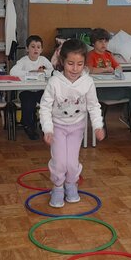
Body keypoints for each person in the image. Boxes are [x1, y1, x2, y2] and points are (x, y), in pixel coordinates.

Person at [40, 39, 105, 208]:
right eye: (70, 63)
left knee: (72, 162)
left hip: (77, 127)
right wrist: (47, 129)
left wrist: (98, 126)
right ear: (62, 61)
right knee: (60, 161)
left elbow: (93, 106)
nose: (75, 69)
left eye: (80, 64)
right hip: (57, 127)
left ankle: (70, 184)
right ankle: (57, 187)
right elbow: (45, 107)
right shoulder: (54, 82)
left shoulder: (87, 82)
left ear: (84, 64)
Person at [86, 28, 131, 129]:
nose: (104, 44)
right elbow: (90, 70)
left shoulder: (108, 54)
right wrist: (105, 69)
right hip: (98, 90)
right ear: (93, 43)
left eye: (106, 41)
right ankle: (125, 117)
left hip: (111, 85)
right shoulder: (90, 55)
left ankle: (125, 116)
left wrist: (117, 70)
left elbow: (118, 66)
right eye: (100, 41)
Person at [10, 35, 54, 140]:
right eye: (33, 47)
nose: (36, 49)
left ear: (41, 50)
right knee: (28, 103)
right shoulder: (23, 61)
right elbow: (13, 72)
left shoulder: (43, 60)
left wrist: (44, 72)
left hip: (40, 90)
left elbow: (53, 71)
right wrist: (30, 72)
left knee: (48, 102)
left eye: (38, 47)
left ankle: (45, 124)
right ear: (27, 49)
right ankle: (28, 126)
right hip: (26, 91)